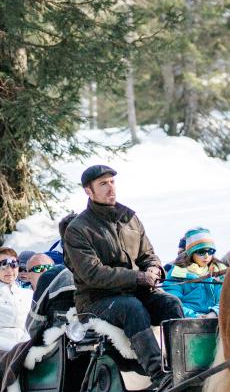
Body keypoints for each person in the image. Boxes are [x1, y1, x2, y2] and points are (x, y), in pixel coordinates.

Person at [62, 164, 183, 390]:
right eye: (103, 184)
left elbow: (148, 254)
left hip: (136, 292)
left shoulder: (130, 217)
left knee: (171, 303)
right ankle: (160, 377)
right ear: (88, 191)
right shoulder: (78, 229)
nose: (110, 188)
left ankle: (182, 368)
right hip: (96, 301)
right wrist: (138, 277)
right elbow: (93, 274)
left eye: (112, 182)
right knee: (131, 308)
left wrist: (154, 270)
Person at [163, 227, 226, 317]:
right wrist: (194, 316)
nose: (207, 256)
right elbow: (172, 302)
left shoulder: (220, 271)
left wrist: (214, 313)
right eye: (201, 252)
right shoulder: (177, 273)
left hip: (217, 320)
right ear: (191, 252)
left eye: (211, 251)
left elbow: (227, 298)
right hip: (186, 323)